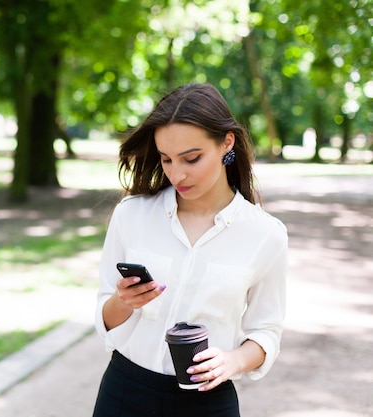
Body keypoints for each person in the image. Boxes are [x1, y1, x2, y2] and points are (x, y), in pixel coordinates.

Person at [93, 83, 288, 417]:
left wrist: (233, 360)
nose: (177, 173)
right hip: (125, 392)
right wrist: (121, 301)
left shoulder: (266, 235)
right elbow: (105, 317)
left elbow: (266, 331)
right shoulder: (132, 214)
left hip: (208, 404)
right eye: (166, 159)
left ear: (227, 143)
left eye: (192, 158)